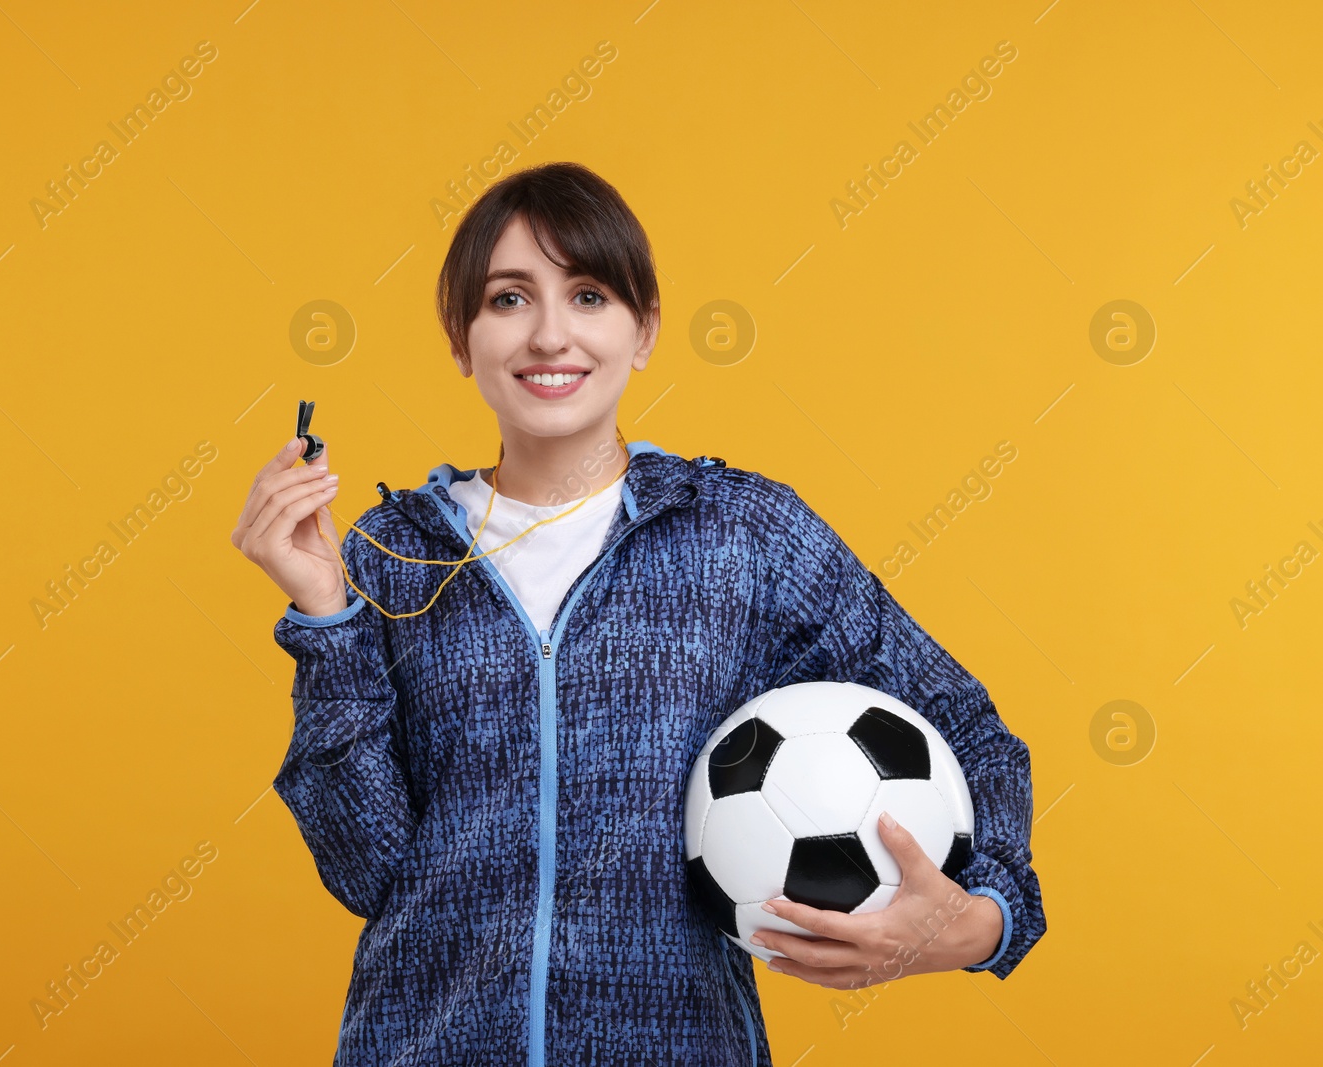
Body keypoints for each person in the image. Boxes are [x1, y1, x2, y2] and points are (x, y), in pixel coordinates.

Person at [230, 161, 1045, 1066]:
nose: (549, 335)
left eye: (587, 294)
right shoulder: (392, 553)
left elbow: (969, 728)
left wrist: (981, 920)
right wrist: (326, 617)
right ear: (461, 337)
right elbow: (369, 868)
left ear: (644, 328)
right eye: (508, 298)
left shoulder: (743, 533)